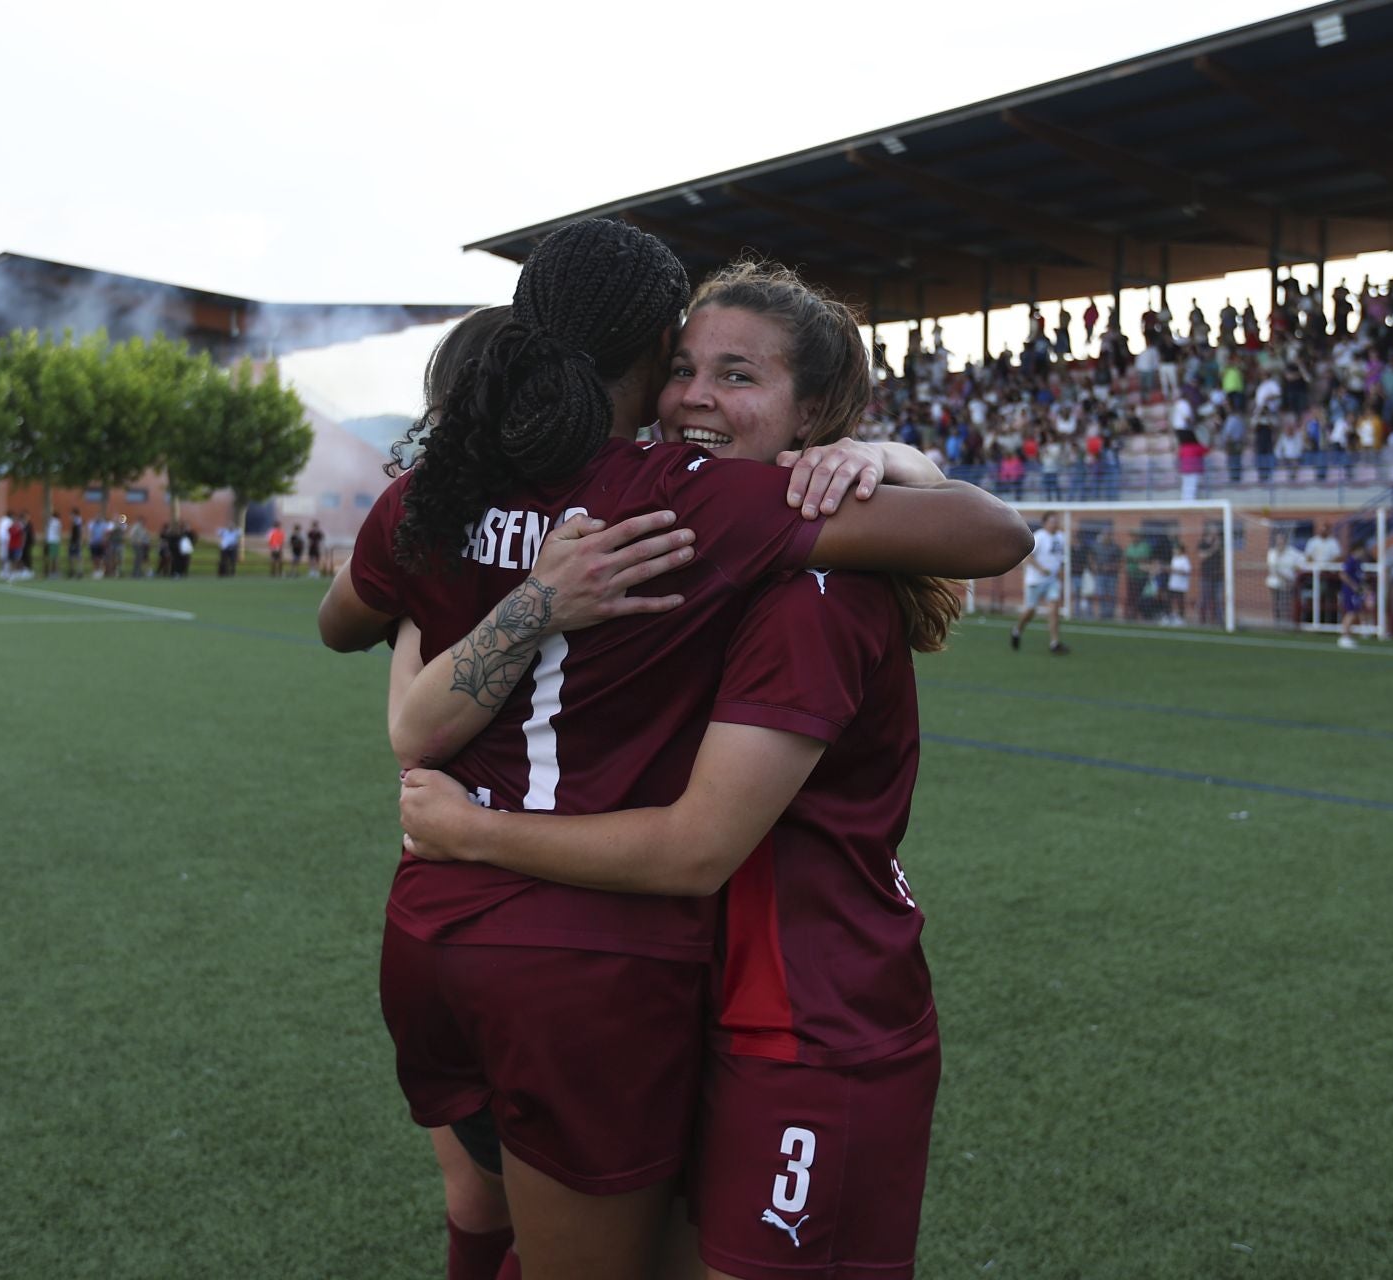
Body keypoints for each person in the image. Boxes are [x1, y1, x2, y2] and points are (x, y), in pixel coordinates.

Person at [321, 226, 1027, 1279]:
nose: (696, 395)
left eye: (735, 375)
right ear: (650, 355)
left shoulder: (454, 490)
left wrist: (882, 455)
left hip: (737, 995)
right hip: (623, 971)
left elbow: (350, 630)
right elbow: (986, 532)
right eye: (687, 367)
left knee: (495, 1213)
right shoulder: (677, 500)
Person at [1011, 512, 1069, 654]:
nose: (1055, 524)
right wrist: (1040, 568)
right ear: (1045, 523)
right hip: (1036, 581)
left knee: (1054, 609)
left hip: (1052, 581)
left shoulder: (1061, 537)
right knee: (1031, 611)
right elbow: (1026, 557)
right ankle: (1017, 630)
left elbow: (1060, 558)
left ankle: (1054, 643)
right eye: (1052, 521)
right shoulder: (1039, 537)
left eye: (1056, 521)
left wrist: (1060, 570)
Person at [1337, 541, 1366, 649]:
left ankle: (1348, 636)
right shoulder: (1351, 561)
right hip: (1350, 592)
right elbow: (1343, 574)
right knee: (1350, 613)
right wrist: (1354, 586)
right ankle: (1344, 636)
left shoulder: (1358, 562)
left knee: (1354, 612)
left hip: (1356, 592)